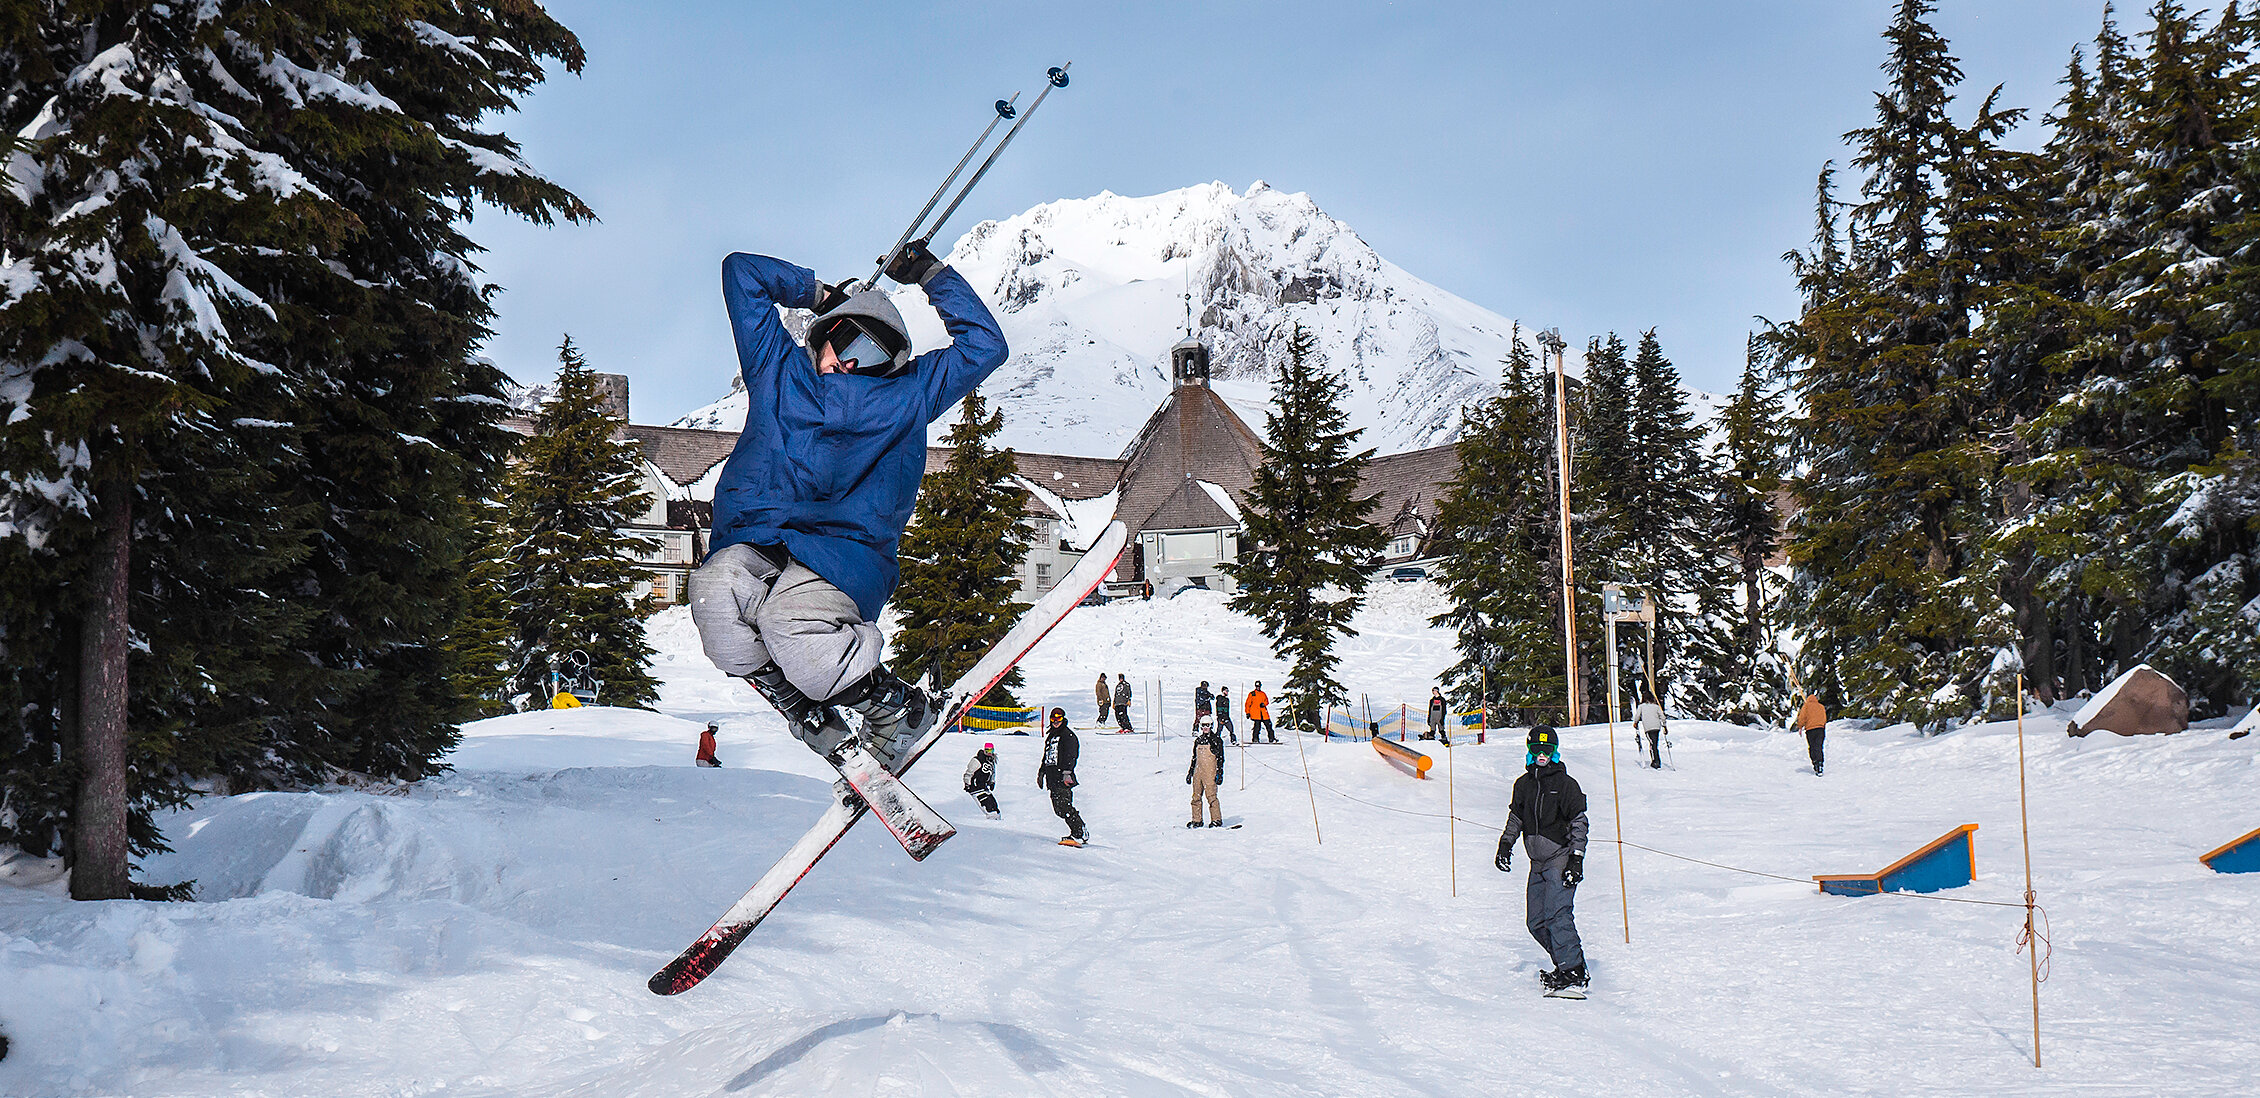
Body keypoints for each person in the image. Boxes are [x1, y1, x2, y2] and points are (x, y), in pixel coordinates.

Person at [686, 241, 1005, 777]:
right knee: (716, 596)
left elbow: (984, 346)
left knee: (790, 622)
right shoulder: (778, 369)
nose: (852, 360)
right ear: (824, 333)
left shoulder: (910, 395)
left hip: (841, 553)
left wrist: (931, 275)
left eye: (874, 355)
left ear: (894, 364)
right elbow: (742, 273)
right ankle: (801, 706)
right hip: (760, 538)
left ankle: (894, 707)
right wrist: (817, 293)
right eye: (847, 340)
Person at [1495, 726, 1591, 996]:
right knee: (1536, 922)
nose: (1541, 755)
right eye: (1536, 749)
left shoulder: (1566, 785)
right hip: (1536, 862)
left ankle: (1572, 971)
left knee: (1557, 916)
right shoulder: (1523, 785)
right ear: (1529, 750)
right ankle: (1566, 965)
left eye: (1547, 750)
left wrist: (1576, 859)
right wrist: (1505, 845)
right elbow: (1516, 819)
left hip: (1560, 858)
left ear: (1555, 752)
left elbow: (1579, 823)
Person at [1038, 708, 1087, 843]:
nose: (1055, 721)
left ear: (1063, 719)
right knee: (1058, 809)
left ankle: (1079, 832)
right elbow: (1047, 756)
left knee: (1064, 805)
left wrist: (1067, 772)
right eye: (1053, 719)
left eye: (1058, 718)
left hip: (1063, 776)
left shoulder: (1067, 735)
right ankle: (1079, 830)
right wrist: (1042, 772)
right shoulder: (1051, 736)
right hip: (1052, 777)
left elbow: (1072, 755)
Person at [1187, 713, 1225, 828]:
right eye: (1203, 725)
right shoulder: (1198, 740)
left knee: (1211, 796)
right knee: (1196, 796)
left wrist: (1219, 773)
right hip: (1198, 772)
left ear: (1211, 726)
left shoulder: (1216, 740)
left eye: (1207, 725)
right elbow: (1194, 758)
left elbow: (1220, 759)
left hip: (1210, 772)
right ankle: (1197, 819)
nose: (1205, 728)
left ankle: (1216, 819)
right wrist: (1190, 772)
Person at [962, 742, 1000, 819]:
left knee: (993, 804)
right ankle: (991, 817)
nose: (989, 753)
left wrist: (992, 782)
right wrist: (967, 784)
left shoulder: (991, 761)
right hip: (975, 787)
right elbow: (969, 772)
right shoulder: (978, 760)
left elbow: (992, 773)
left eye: (991, 751)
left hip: (983, 786)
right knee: (987, 803)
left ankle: (996, 817)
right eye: (987, 751)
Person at [1795, 692, 1828, 775]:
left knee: (1812, 746)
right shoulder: (1821, 706)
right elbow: (1824, 718)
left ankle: (1815, 762)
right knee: (1819, 746)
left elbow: (1802, 717)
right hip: (1820, 729)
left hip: (1810, 730)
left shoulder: (1806, 706)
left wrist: (1800, 726)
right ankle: (1820, 763)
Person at [1634, 691, 1667, 770]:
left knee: (1652, 744)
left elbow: (1637, 715)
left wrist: (1635, 722)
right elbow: (1662, 716)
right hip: (1657, 727)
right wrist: (1664, 726)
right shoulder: (1656, 706)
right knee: (1654, 743)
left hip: (1648, 728)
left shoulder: (1641, 706)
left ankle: (1656, 761)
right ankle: (1656, 760)